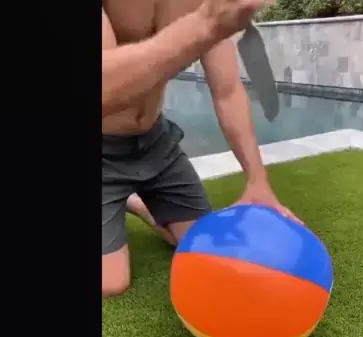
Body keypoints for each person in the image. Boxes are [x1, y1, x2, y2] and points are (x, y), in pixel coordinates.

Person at [102, 0, 301, 298]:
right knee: (111, 283)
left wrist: (257, 180)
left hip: (155, 143)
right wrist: (203, 25)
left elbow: (228, 92)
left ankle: (135, 202)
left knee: (205, 245)